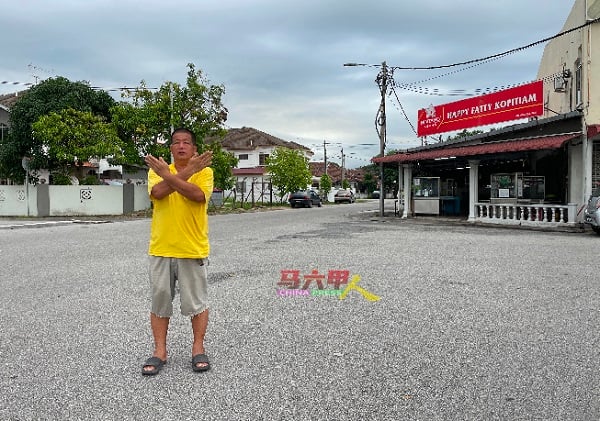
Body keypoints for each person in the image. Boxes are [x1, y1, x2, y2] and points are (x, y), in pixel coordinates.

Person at [141, 127, 214, 375]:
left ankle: (198, 347)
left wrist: (185, 172)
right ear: (171, 148)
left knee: (197, 302)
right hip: (161, 248)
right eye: (176, 142)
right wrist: (183, 173)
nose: (181, 146)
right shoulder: (157, 172)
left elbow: (196, 195)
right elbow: (158, 193)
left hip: (192, 248)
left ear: (194, 149)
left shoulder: (205, 172)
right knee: (160, 301)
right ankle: (160, 351)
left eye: (186, 142)